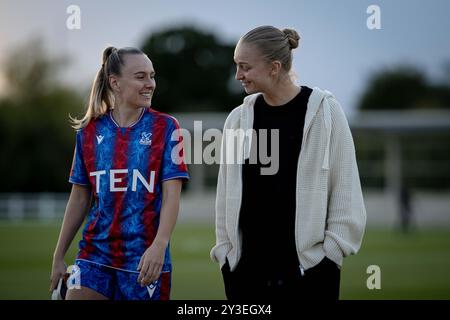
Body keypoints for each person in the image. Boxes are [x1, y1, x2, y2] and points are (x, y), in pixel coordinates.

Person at [210, 26, 367, 300]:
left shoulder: (325, 111)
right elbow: (225, 194)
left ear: (274, 67)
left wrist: (328, 257)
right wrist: (227, 255)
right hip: (245, 275)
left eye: (245, 67)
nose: (238, 75)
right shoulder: (237, 119)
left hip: (310, 272)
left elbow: (346, 187)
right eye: (237, 66)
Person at [49, 46, 189, 300]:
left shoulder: (168, 127)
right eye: (140, 76)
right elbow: (79, 198)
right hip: (94, 255)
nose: (150, 84)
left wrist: (160, 245)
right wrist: (58, 255)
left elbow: (172, 196)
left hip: (144, 260)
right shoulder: (88, 131)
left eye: (152, 75)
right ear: (115, 82)